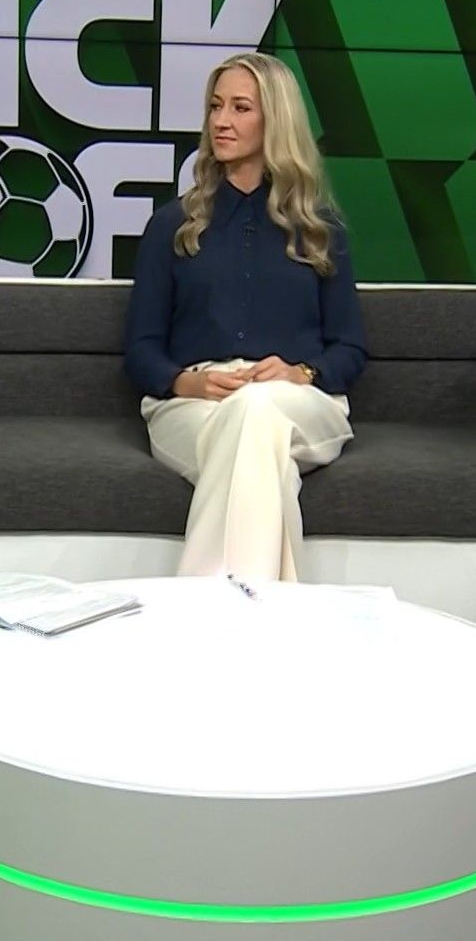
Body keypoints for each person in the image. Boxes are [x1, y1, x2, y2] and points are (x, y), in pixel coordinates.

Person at [123, 52, 367, 582]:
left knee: (256, 408)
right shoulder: (172, 224)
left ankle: (205, 604)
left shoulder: (320, 229)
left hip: (300, 399)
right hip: (192, 406)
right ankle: (264, 610)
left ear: (275, 119)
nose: (221, 121)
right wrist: (185, 382)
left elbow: (350, 348)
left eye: (240, 108)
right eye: (215, 107)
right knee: (259, 447)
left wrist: (302, 373)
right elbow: (141, 349)